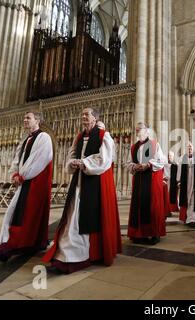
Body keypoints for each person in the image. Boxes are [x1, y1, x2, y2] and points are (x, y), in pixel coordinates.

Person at [43, 108, 121, 274]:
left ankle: (77, 258)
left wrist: (84, 163)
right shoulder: (78, 137)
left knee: (81, 220)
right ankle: (65, 256)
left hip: (92, 183)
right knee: (72, 218)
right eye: (82, 114)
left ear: (95, 118)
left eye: (87, 114)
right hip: (77, 182)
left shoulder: (103, 136)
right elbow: (70, 155)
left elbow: (105, 160)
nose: (83, 116)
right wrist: (72, 163)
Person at [0, 112, 53, 262]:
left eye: (28, 118)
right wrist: (14, 173)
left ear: (38, 120)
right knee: (19, 214)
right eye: (24, 118)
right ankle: (26, 244)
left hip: (34, 183)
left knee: (24, 215)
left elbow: (41, 160)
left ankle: (8, 248)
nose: (25, 120)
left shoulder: (44, 138)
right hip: (25, 182)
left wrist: (23, 176)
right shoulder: (26, 139)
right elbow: (17, 159)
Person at [126, 122, 167, 245]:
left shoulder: (154, 144)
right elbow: (128, 163)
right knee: (138, 207)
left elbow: (161, 161)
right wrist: (134, 166)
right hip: (138, 180)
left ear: (147, 130)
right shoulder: (133, 147)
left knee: (152, 206)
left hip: (151, 180)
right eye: (136, 130)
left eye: (140, 129)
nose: (138, 131)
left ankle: (155, 233)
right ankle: (139, 234)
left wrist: (148, 165)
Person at [163, 151, 179, 217]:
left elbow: (178, 174)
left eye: (171, 156)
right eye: (168, 156)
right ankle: (167, 208)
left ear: (173, 157)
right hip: (166, 181)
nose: (169, 157)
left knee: (173, 194)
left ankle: (173, 208)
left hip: (173, 182)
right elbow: (163, 172)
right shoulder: (164, 165)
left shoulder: (175, 165)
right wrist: (164, 177)